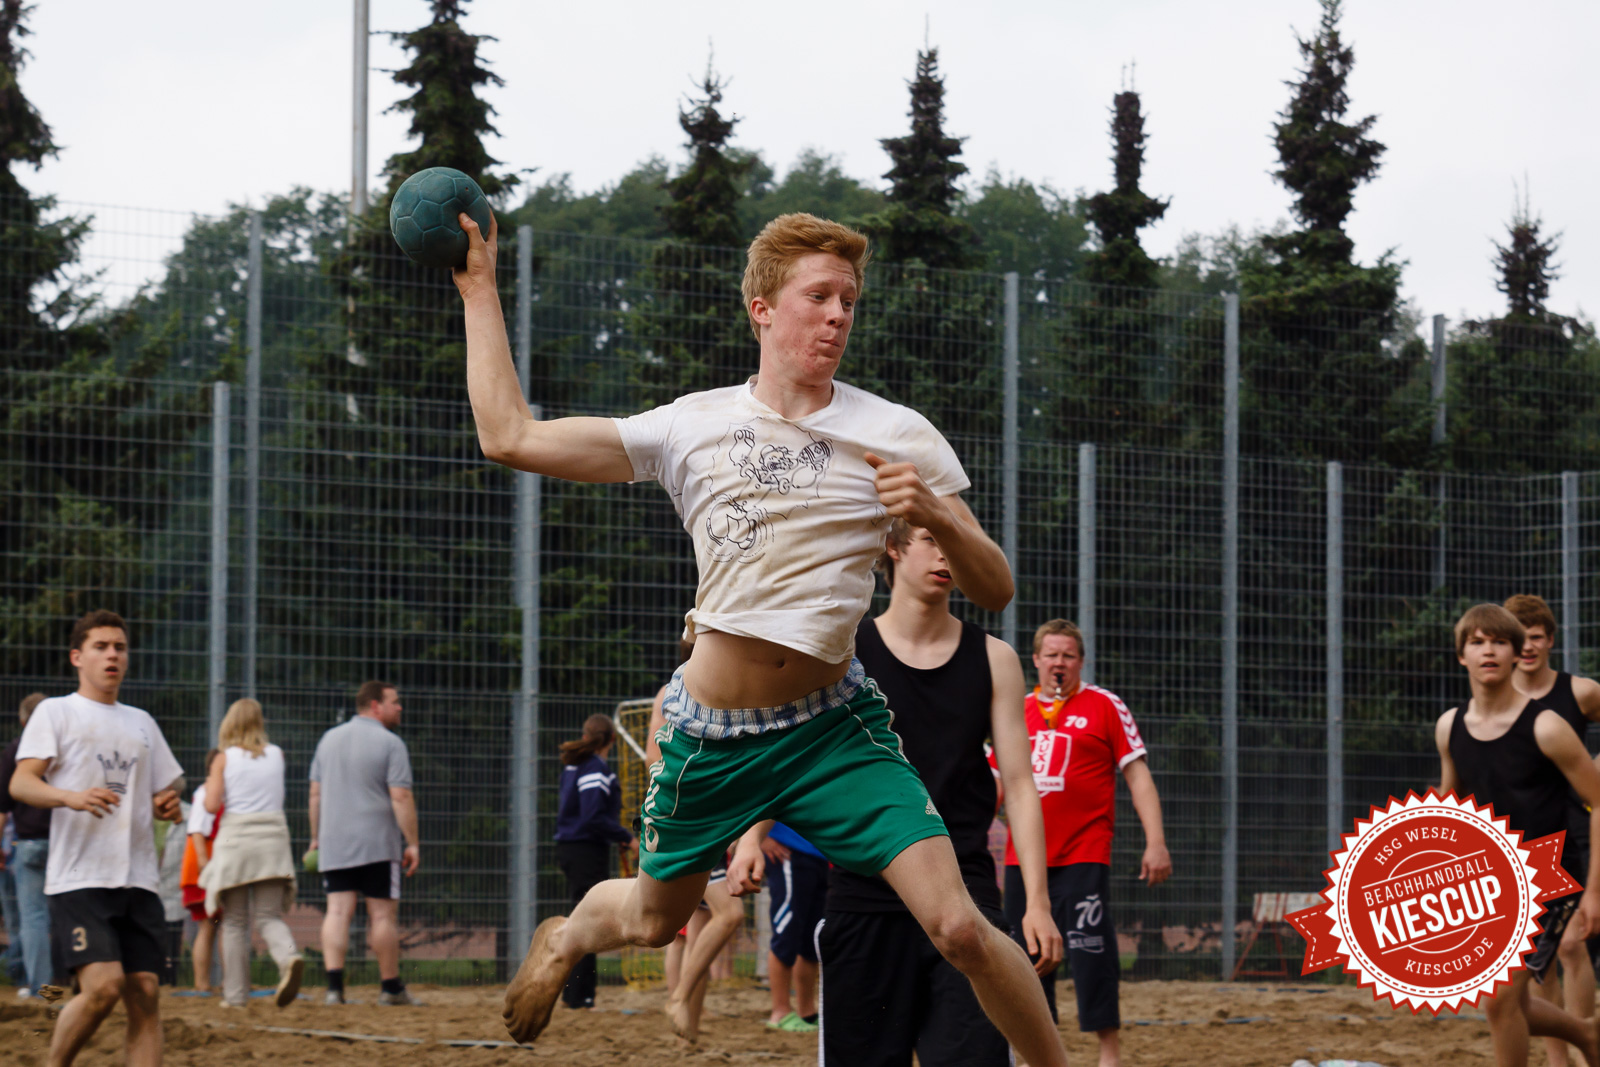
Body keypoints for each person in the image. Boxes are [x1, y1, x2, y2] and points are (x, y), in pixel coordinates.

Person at [459, 209, 1066, 1067]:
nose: (838, 315)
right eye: (819, 296)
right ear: (762, 309)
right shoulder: (688, 426)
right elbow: (508, 435)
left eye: (849, 300)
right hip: (715, 735)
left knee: (960, 923)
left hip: (833, 729)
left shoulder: (896, 432)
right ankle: (562, 938)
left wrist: (933, 511)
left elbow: (996, 587)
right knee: (651, 917)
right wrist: (480, 288)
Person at [810, 519, 1061, 1065]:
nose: (946, 555)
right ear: (894, 548)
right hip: (866, 897)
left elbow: (1019, 787)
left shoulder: (994, 658)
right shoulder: (843, 651)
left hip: (966, 897)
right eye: (931, 540)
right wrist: (754, 838)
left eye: (955, 542)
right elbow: (792, 750)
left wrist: (1036, 902)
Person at [8, 609, 185, 1067]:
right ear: (77, 657)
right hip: (80, 877)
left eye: (120, 647)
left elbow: (171, 783)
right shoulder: (56, 711)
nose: (112, 655)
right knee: (103, 987)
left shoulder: (142, 721)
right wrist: (70, 797)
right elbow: (21, 784)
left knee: (145, 992)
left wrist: (169, 800)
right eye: (101, 647)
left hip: (138, 877)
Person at [998, 619, 1171, 1067]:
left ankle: (1107, 1053)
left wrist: (1156, 842)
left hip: (1083, 853)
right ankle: (1036, 1052)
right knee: (1027, 959)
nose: (1059, 663)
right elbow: (994, 783)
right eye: (1051, 655)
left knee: (1090, 948)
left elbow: (1137, 775)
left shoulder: (1104, 705)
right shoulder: (1014, 711)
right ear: (1035, 660)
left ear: (1081, 661)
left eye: (1068, 655)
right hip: (1023, 859)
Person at [1437, 603, 1600, 1067]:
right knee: (1512, 1002)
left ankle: (1584, 1039)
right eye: (1477, 641)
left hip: (1550, 878)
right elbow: (1448, 810)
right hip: (1489, 881)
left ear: (1516, 655)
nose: (1489, 650)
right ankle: (1587, 1034)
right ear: (1461, 655)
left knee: (1498, 1000)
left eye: (1500, 642)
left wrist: (1594, 892)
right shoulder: (1449, 727)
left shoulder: (1548, 726)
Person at [1505, 594, 1600, 1067]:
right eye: (1518, 638)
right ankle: (1559, 1059)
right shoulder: (1497, 699)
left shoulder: (1581, 692)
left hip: (1579, 823)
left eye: (1536, 637)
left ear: (1550, 641)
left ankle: (1586, 1048)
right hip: (1526, 834)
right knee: (1536, 960)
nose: (1528, 647)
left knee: (1570, 942)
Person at [307, 680, 420, 1006]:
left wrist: (316, 838)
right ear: (375, 705)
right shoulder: (391, 743)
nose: (399, 707)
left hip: (335, 841)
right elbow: (401, 796)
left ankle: (333, 989)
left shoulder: (328, 739)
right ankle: (389, 988)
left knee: (338, 911)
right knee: (382, 915)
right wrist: (412, 842)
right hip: (377, 844)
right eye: (394, 701)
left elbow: (315, 794)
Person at [198, 699, 303, 1009]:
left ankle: (235, 997)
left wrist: (210, 782)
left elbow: (211, 805)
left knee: (234, 923)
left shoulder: (222, 759)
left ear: (229, 723)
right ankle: (289, 958)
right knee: (269, 916)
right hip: (273, 840)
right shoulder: (277, 755)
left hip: (237, 842)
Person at [552, 714, 637, 1010]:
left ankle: (576, 995)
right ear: (612, 740)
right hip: (585, 851)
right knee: (586, 924)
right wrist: (626, 837)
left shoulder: (574, 766)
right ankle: (578, 996)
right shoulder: (595, 768)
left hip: (574, 848)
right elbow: (592, 816)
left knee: (583, 920)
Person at [0, 691, 50, 996]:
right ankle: (78, 988)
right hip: (67, 845)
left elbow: (2, 806)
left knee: (34, 919)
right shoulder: (66, 747)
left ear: (22, 721)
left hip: (29, 844)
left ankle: (43, 991)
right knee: (67, 916)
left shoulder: (16, 751)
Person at [760, 822, 825, 1033]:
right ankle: (780, 1012)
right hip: (787, 852)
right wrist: (760, 838)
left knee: (811, 941)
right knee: (785, 932)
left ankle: (807, 1012)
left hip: (821, 856)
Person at [180, 749, 223, 995]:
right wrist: (205, 865)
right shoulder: (205, 793)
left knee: (221, 924)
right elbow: (197, 830)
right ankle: (203, 984)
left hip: (212, 869)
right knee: (210, 926)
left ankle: (220, 982)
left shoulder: (217, 793)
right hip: (203, 871)